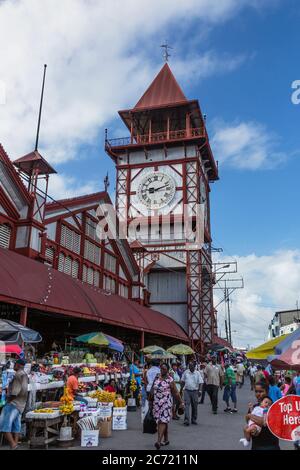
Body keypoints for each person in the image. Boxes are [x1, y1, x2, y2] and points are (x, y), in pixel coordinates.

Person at [149, 363, 184, 450]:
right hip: (156, 404)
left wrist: (181, 402)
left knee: (162, 421)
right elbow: (153, 388)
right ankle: (166, 439)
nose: (162, 370)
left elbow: (176, 392)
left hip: (166, 404)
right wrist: (150, 400)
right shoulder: (157, 377)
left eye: (164, 369)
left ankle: (158, 441)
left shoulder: (170, 380)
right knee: (161, 421)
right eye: (161, 369)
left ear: (167, 370)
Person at [0, 358, 29, 449]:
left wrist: (8, 400)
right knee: (16, 425)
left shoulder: (18, 375)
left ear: (18, 365)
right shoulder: (24, 375)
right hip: (21, 404)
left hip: (14, 403)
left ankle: (13, 444)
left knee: (3, 425)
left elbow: (14, 393)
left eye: (15, 364)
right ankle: (15, 444)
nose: (14, 365)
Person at [246, 382, 280, 450]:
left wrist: (250, 416)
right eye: (256, 391)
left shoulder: (272, 407)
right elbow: (249, 422)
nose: (258, 394)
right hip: (256, 445)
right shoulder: (255, 407)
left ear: (267, 392)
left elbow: (266, 423)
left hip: (270, 446)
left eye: (261, 391)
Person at [180, 360, 203, 426]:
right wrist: (181, 390)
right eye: (189, 365)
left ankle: (194, 419)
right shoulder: (186, 372)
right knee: (186, 405)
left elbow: (201, 383)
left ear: (194, 366)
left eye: (191, 366)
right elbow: (182, 381)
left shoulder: (197, 373)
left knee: (194, 406)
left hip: (195, 391)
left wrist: (200, 391)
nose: (190, 367)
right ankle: (186, 420)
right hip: (187, 391)